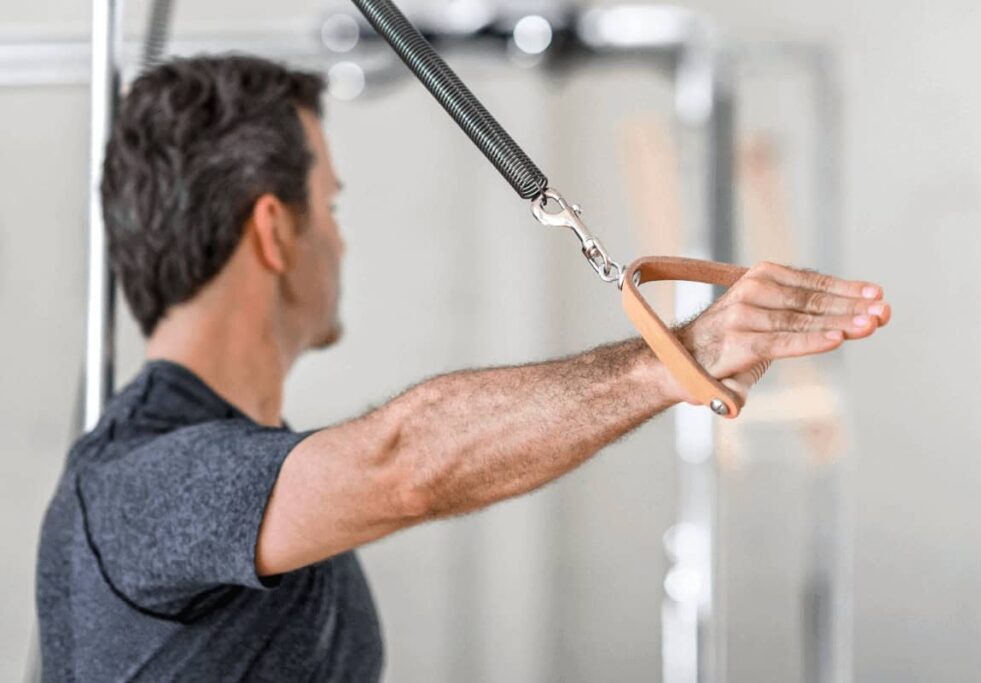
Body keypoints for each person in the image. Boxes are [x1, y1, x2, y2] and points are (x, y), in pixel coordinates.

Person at [36, 55, 890, 682]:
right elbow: (402, 461)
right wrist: (675, 358)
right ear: (275, 230)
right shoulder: (136, 487)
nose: (340, 235)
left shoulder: (230, 479)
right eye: (328, 206)